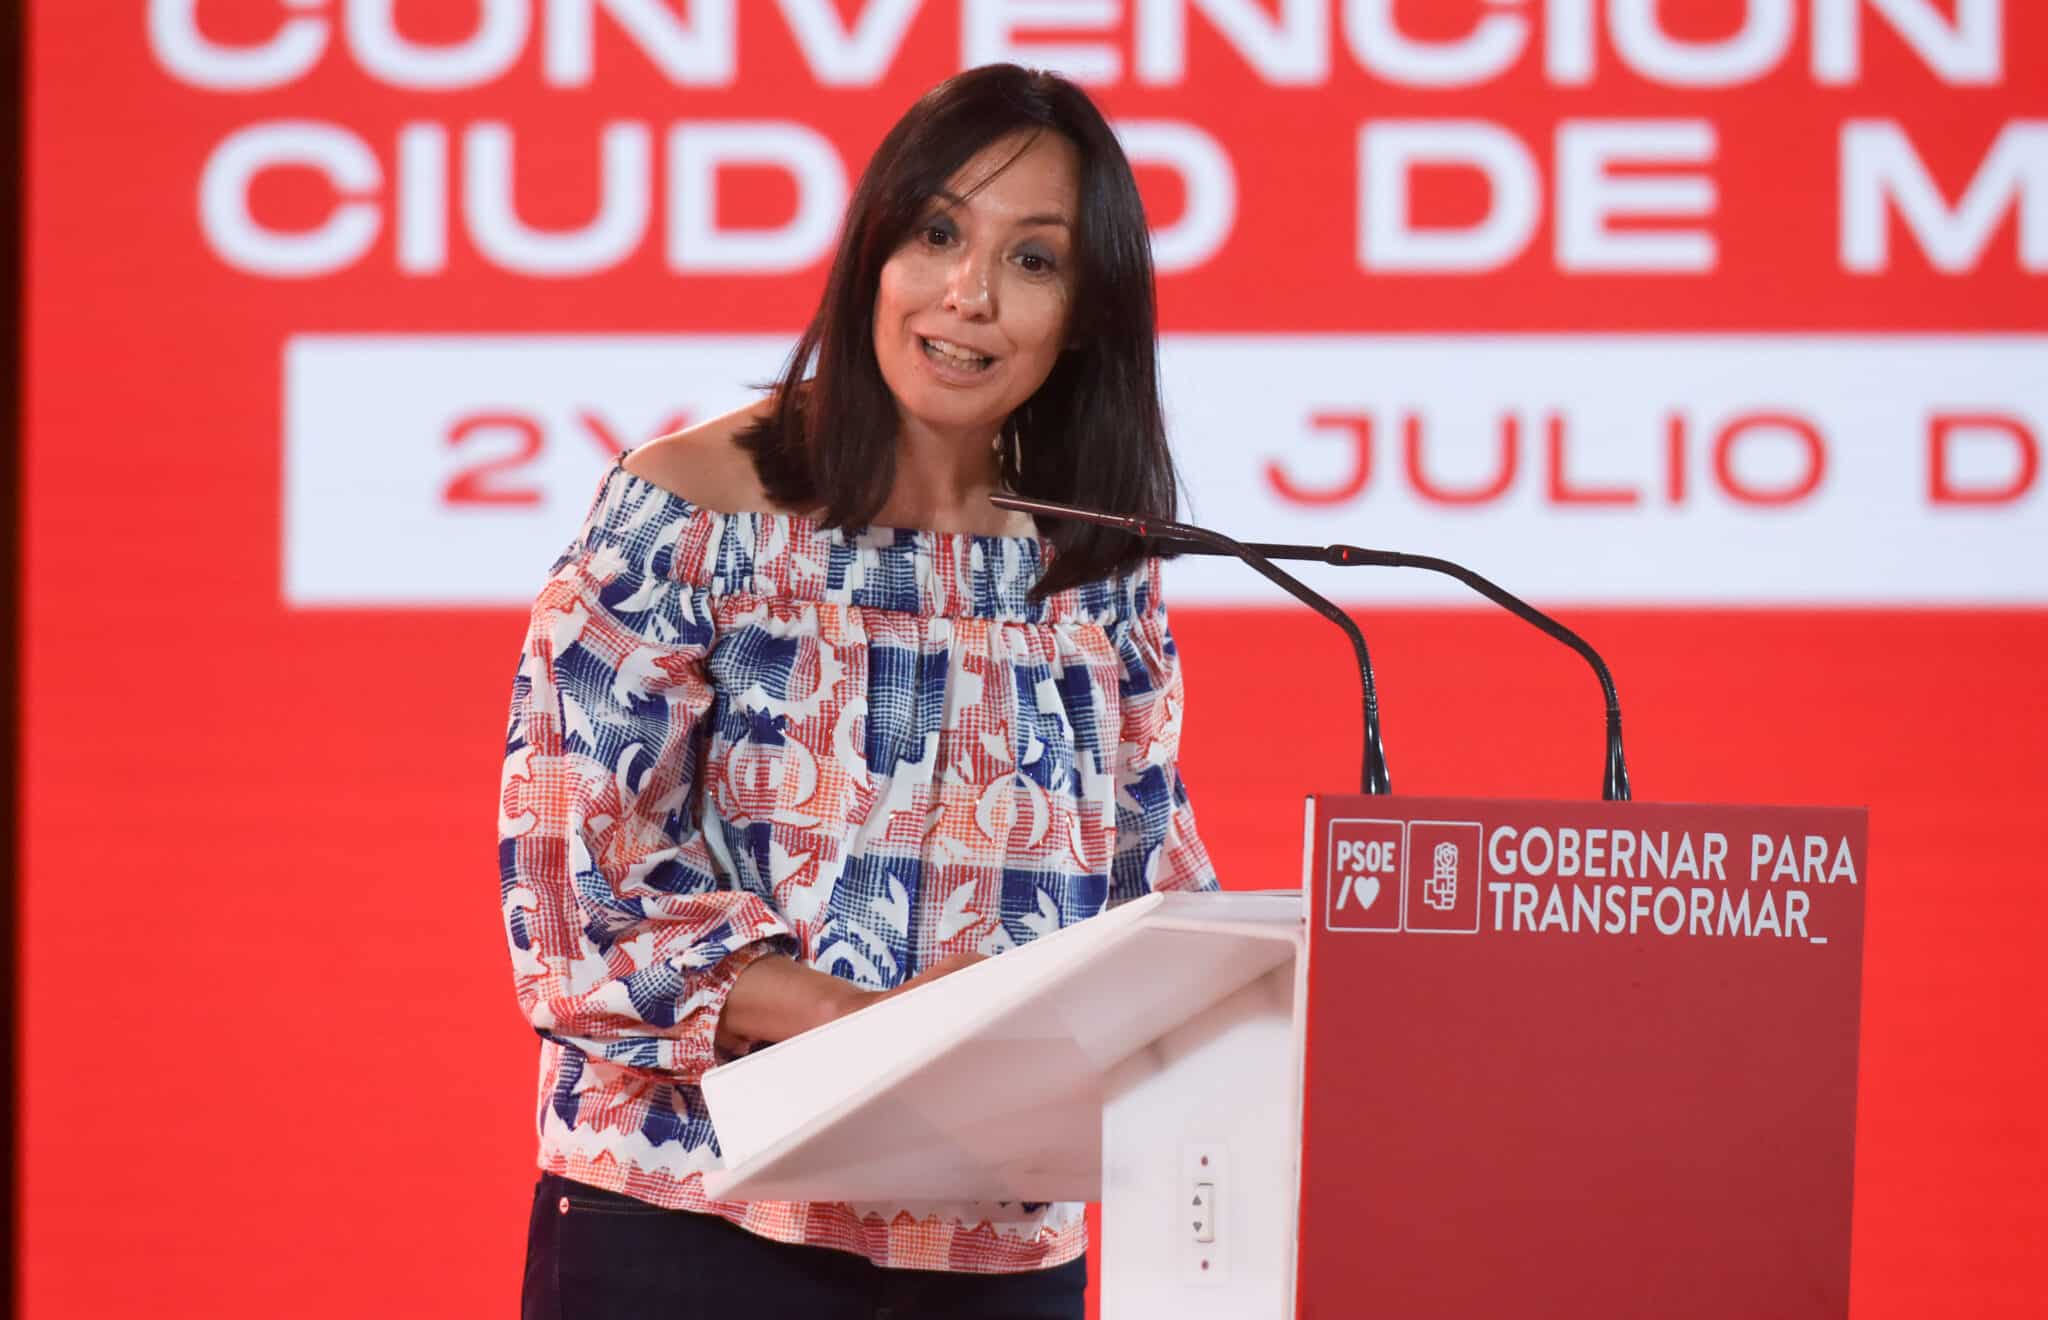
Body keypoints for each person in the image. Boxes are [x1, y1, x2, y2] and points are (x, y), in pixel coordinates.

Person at [500, 63, 1217, 1319]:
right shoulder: (690, 508)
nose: (969, 295)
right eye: (937, 233)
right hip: (691, 1225)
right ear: (871, 254)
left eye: (1033, 261)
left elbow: (1145, 889)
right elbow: (574, 903)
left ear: (1085, 314)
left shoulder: (1092, 559)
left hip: (992, 1244)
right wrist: (879, 1028)